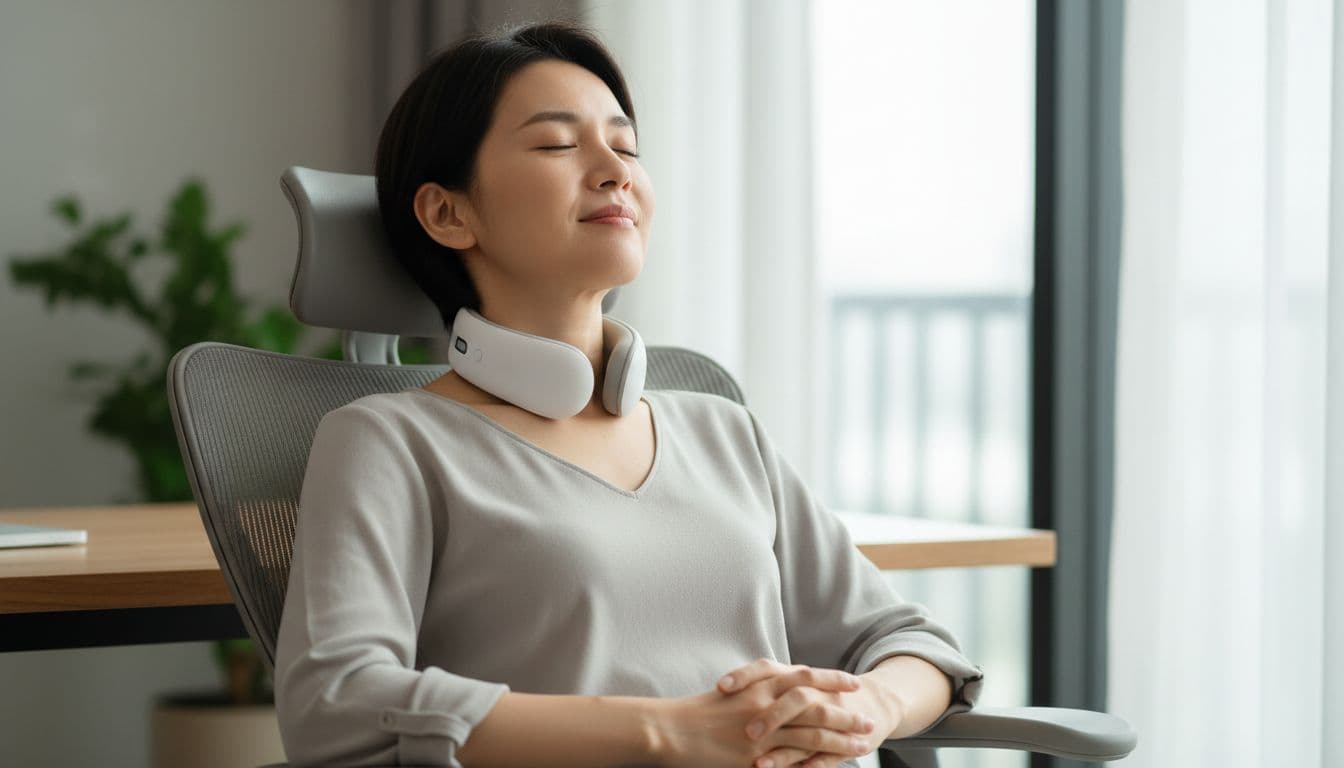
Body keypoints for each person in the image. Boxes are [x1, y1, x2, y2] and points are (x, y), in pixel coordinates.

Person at [272, 19, 983, 768]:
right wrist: (667, 731)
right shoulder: (389, 442)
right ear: (449, 213)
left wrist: (868, 705)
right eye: (556, 144)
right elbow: (337, 703)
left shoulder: (723, 432)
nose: (616, 170)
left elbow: (911, 645)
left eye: (628, 146)